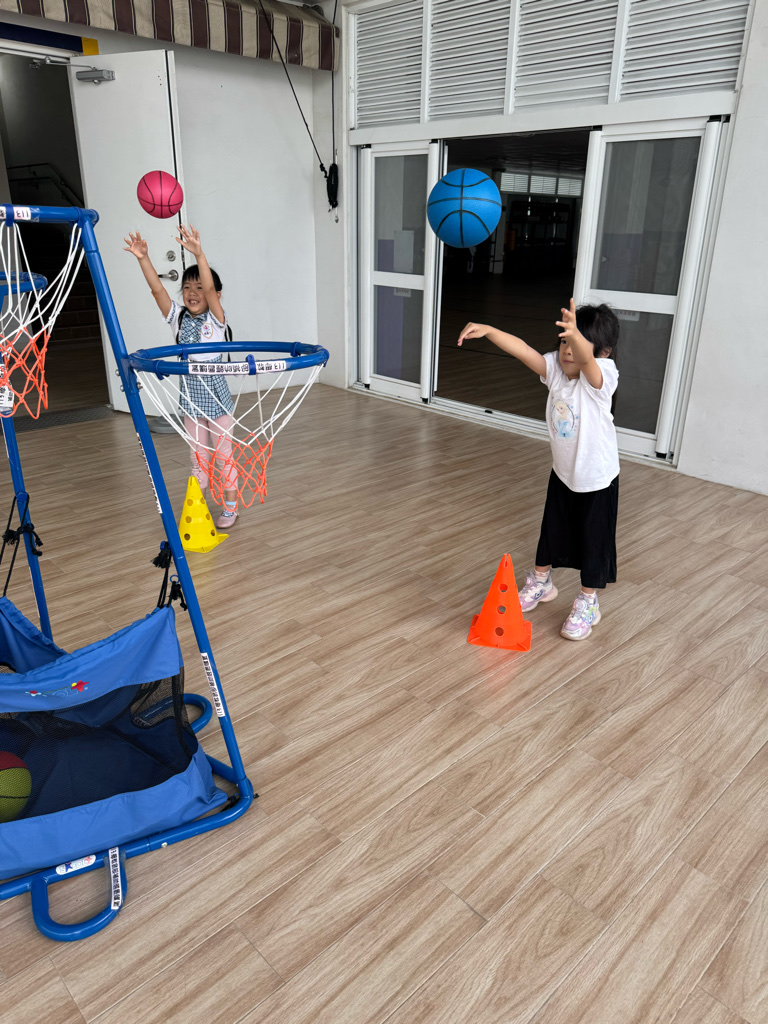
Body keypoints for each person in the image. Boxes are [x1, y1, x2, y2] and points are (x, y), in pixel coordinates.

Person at [458, 299, 620, 640]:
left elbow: (588, 363)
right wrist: (490, 330)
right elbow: (523, 350)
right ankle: (541, 582)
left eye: (576, 343)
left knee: (593, 542)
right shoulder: (556, 372)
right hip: (563, 474)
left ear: (604, 351)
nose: (567, 350)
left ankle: (588, 602)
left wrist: (576, 336)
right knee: (551, 531)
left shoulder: (603, 376)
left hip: (597, 480)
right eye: (563, 342)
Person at [124, 225, 239, 529]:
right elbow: (158, 291)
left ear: (215, 295)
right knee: (198, 456)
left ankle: (231, 507)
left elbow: (210, 290)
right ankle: (199, 508)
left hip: (217, 399)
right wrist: (143, 258)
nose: (193, 292)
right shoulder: (178, 317)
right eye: (187, 287)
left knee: (223, 454)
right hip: (190, 399)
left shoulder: (217, 319)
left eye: (199, 287)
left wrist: (199, 254)